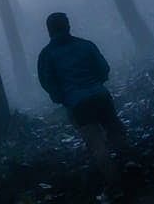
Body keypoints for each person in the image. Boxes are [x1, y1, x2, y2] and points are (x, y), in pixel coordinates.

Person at [37, 12, 128, 185]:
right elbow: (103, 68)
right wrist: (96, 84)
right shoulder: (86, 45)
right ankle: (131, 168)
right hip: (101, 96)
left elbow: (47, 82)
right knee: (117, 133)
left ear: (49, 31)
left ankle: (116, 184)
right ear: (68, 26)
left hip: (77, 104)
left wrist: (62, 98)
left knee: (96, 144)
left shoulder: (46, 55)